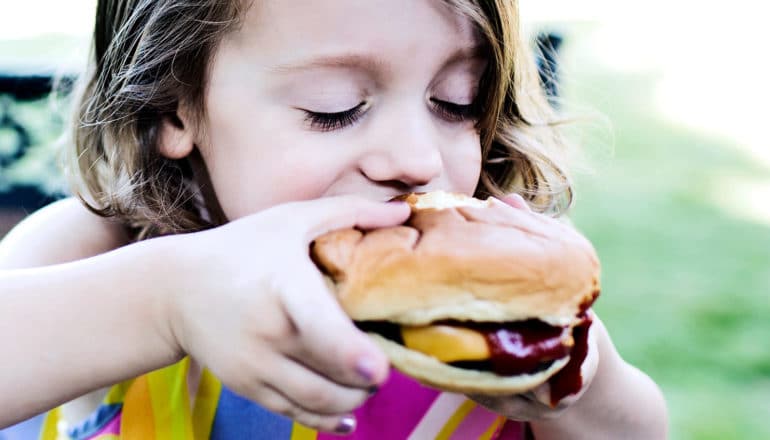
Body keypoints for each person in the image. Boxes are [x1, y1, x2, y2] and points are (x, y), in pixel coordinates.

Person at [0, 0, 668, 438]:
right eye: (335, 106)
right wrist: (164, 300)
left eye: (455, 101)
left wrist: (576, 382)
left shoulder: (488, 303)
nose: (416, 158)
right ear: (178, 110)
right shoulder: (94, 249)